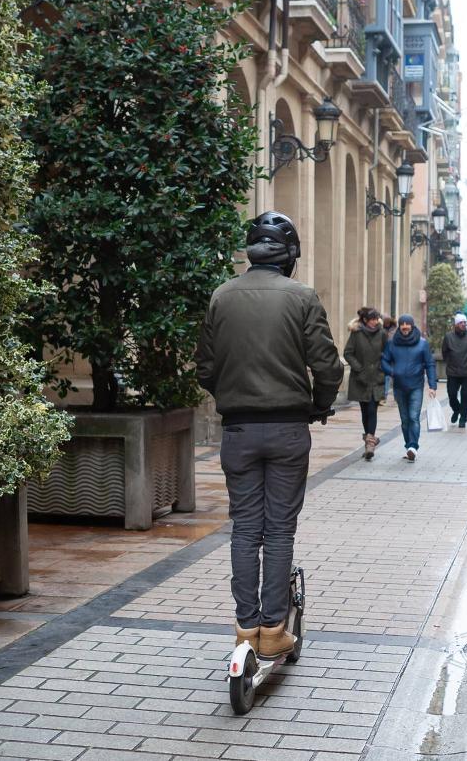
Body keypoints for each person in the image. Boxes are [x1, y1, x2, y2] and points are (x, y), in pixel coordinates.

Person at [196, 211, 343, 659]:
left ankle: (245, 628)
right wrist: (320, 403)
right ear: (290, 255)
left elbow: (204, 367)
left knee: (245, 529)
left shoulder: (222, 296)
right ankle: (274, 628)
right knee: (278, 531)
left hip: (238, 429)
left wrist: (232, 395)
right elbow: (327, 364)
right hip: (287, 429)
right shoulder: (301, 297)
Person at [382, 314, 437, 461]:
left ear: (412, 326)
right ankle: (408, 446)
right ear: (399, 326)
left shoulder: (422, 344)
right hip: (399, 386)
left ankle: (413, 446)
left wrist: (432, 385)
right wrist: (392, 372)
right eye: (402, 325)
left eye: (408, 325)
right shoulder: (392, 343)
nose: (405, 327)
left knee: (413, 417)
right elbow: (384, 360)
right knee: (405, 419)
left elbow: (430, 364)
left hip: (416, 386)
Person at [344, 307, 388, 461]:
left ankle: (370, 443)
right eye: (372, 319)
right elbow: (347, 353)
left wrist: (383, 367)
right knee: (364, 411)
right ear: (365, 320)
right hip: (361, 379)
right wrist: (359, 368)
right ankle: (370, 440)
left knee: (372, 410)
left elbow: (388, 353)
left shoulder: (382, 334)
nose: (375, 321)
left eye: (376, 319)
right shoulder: (356, 334)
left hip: (377, 378)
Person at [442, 313, 467, 429]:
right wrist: (450, 362)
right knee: (452, 395)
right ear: (456, 324)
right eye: (461, 323)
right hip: (452, 372)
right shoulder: (448, 337)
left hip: (466, 372)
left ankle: (463, 418)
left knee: (465, 396)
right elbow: (445, 352)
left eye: (464, 323)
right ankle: (456, 410)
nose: (463, 324)